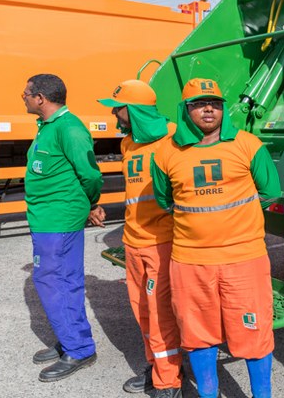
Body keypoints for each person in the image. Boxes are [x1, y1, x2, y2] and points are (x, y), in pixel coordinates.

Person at [151, 78, 280, 398]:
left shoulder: (249, 144)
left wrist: (233, 224)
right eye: (198, 104)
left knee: (254, 332)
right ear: (184, 110)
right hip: (190, 262)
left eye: (215, 103)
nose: (208, 109)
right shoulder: (165, 152)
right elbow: (165, 200)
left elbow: (271, 191)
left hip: (244, 260)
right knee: (197, 334)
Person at [91, 80, 183, 398]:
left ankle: (168, 382)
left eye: (118, 109)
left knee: (160, 315)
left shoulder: (175, 136)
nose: (115, 115)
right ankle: (158, 366)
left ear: (134, 110)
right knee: (142, 311)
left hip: (162, 242)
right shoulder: (127, 143)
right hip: (134, 241)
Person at [23, 73, 102, 382]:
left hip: (58, 220)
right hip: (47, 219)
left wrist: (92, 203)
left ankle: (79, 348)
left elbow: (90, 175)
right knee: (60, 281)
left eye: (27, 93)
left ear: (41, 98)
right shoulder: (49, 127)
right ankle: (71, 338)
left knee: (55, 281)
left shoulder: (69, 128)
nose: (24, 97)